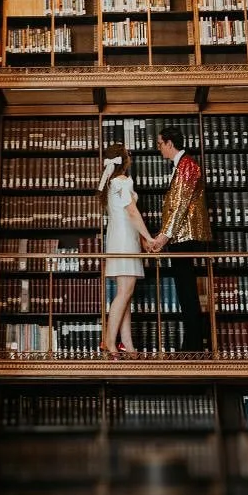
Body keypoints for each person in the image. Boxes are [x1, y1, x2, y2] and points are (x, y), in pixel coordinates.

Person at [146, 126, 212, 353]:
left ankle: (193, 346)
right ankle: (192, 345)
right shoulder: (182, 166)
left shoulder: (188, 166)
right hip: (180, 236)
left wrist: (163, 237)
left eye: (159, 143)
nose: (158, 148)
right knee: (186, 291)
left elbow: (181, 205)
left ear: (169, 143)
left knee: (187, 291)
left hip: (185, 237)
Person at [99, 142, 154, 358]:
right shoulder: (122, 181)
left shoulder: (111, 183)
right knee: (124, 293)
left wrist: (141, 240)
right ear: (125, 160)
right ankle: (110, 342)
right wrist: (148, 237)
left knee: (125, 294)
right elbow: (132, 212)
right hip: (124, 241)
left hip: (118, 238)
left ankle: (127, 345)